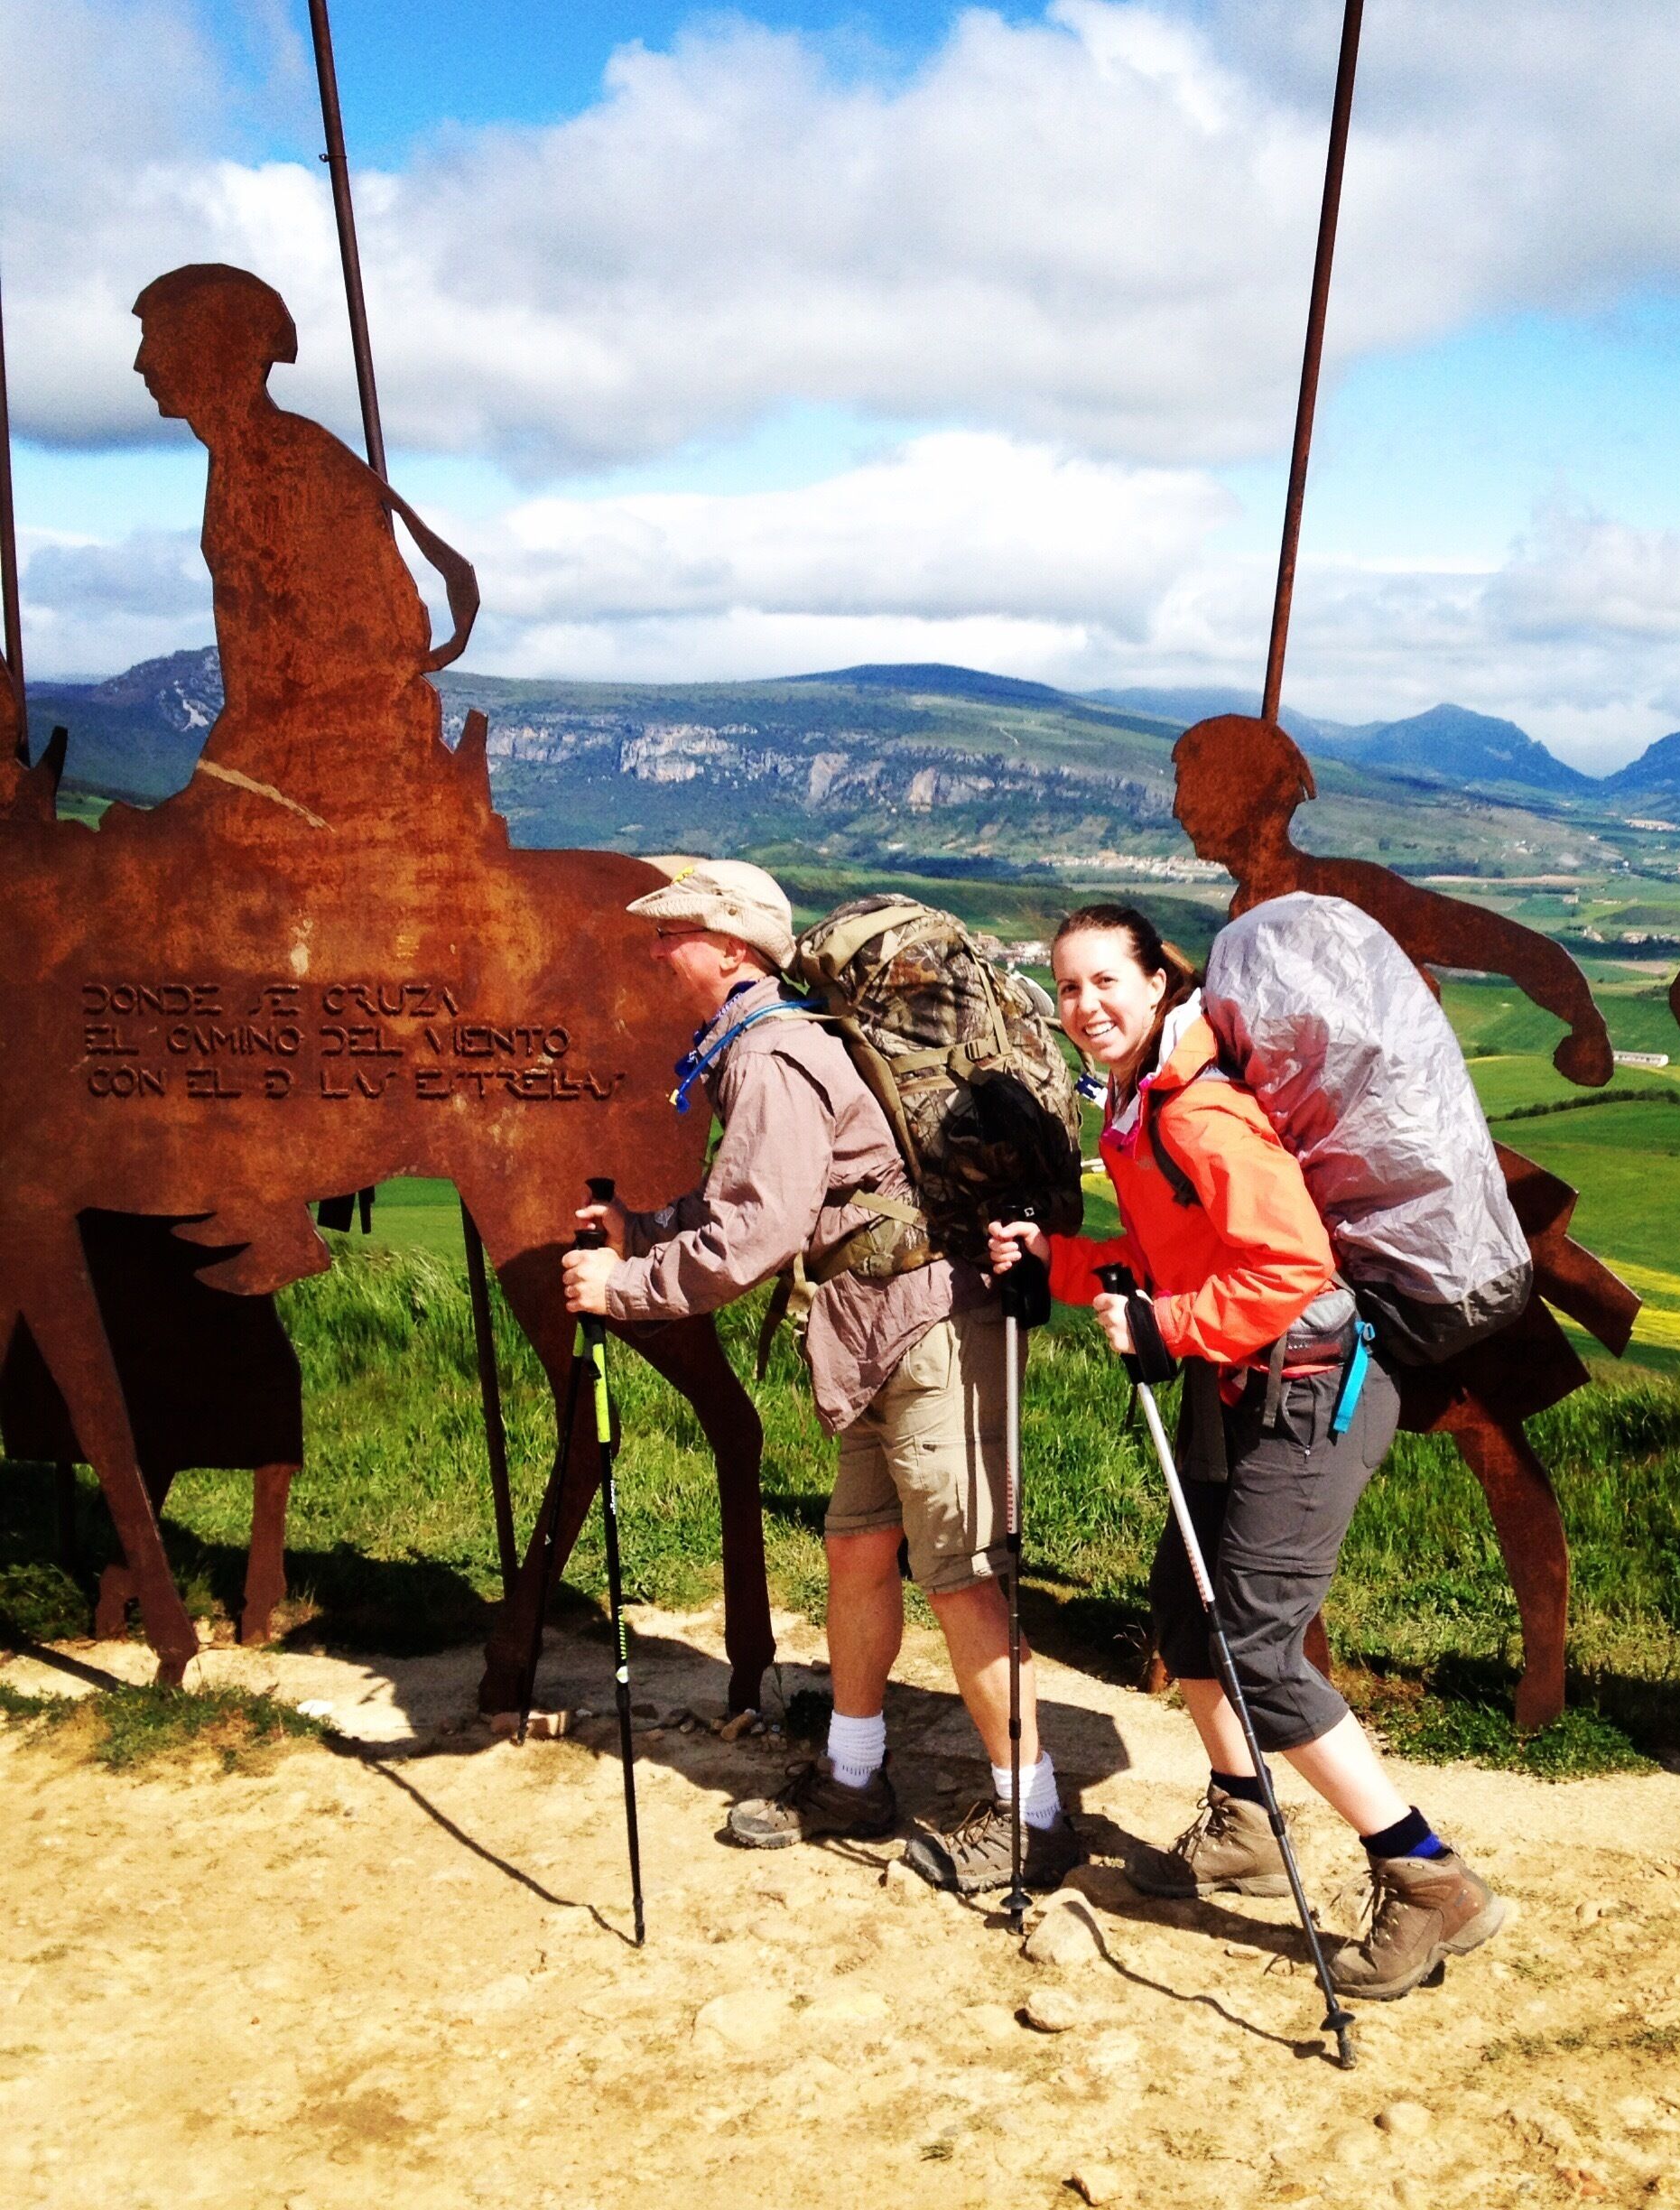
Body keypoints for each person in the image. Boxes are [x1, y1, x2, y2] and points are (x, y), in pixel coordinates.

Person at [988, 903, 1510, 2000]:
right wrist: (1062, 1262)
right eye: (1068, 987)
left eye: (1105, 984)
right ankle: (1247, 1821)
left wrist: (1166, 1327)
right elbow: (1172, 1251)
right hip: (1246, 1387)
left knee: (1262, 1652)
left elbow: (1290, 1271)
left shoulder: (1199, 1110)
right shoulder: (1140, 1108)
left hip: (1309, 1395)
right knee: (1185, 1613)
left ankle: (1428, 1880)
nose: (1086, 1007)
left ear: (1156, 982)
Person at [562, 858, 1081, 1894]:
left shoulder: (771, 1054)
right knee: (858, 1551)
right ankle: (853, 1775)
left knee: (964, 1579)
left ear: (732, 948)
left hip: (930, 1332)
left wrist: (623, 1288)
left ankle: (1037, 1818)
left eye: (674, 934)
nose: (659, 951)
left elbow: (751, 1240)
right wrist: (646, 1231)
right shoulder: (770, 1047)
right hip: (880, 1333)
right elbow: (772, 1205)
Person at [126, 263, 483, 836]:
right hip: (291, 772)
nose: (142, 363)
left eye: (158, 340)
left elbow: (337, 673)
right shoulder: (246, 461)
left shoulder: (286, 465)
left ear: (213, 348)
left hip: (330, 791)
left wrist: (216, 791)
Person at [1172, 713, 1613, 1086]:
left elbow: (1508, 946)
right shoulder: (1248, 908)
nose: (1178, 808)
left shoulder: (1346, 893)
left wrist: (1586, 1025)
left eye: (1189, 786)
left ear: (1238, 794)